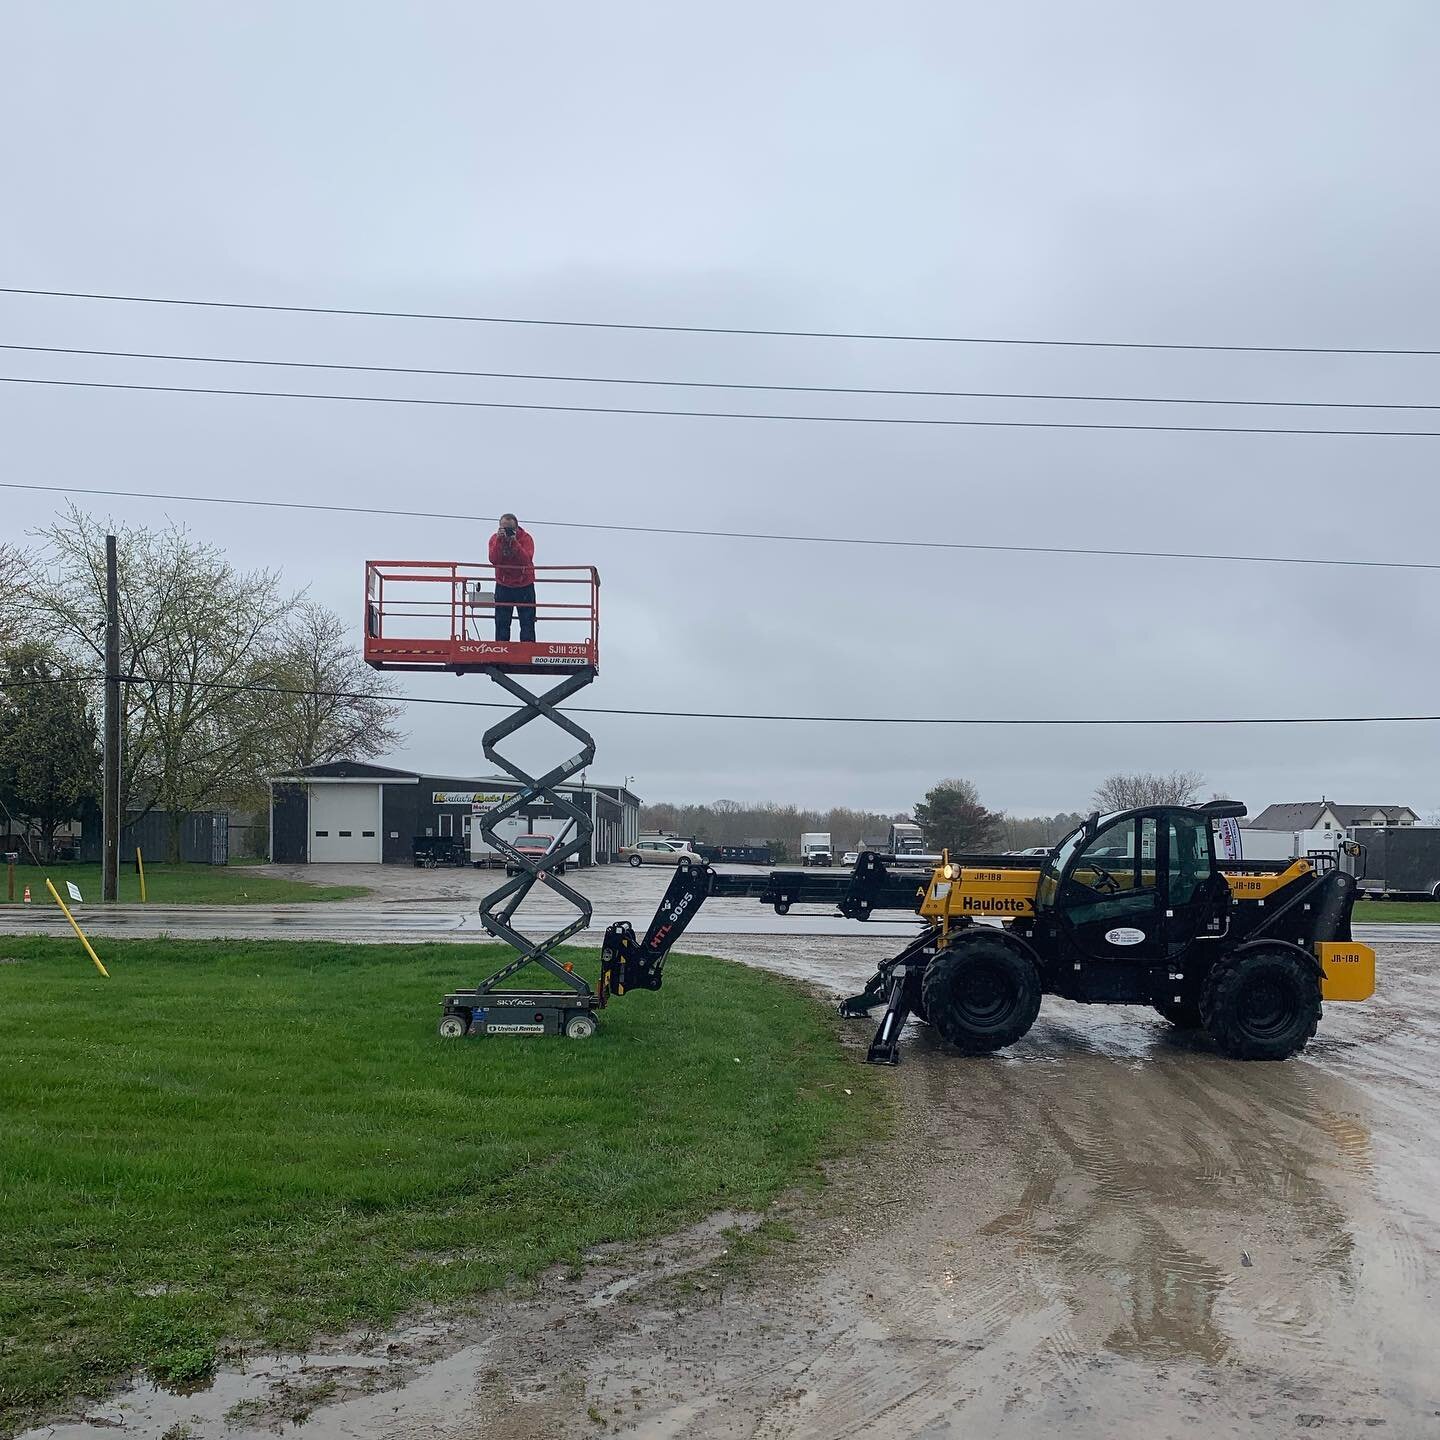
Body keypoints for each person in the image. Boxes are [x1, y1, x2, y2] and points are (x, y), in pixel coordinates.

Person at [488, 513, 536, 642]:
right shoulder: (495, 539)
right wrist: (499, 540)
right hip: (503, 584)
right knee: (501, 623)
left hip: (524, 584)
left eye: (509, 529)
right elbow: (494, 559)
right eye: (503, 528)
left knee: (527, 622)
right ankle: (501, 650)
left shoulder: (526, 539)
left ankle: (528, 650)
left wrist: (514, 542)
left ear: (516, 528)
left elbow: (525, 560)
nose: (506, 531)